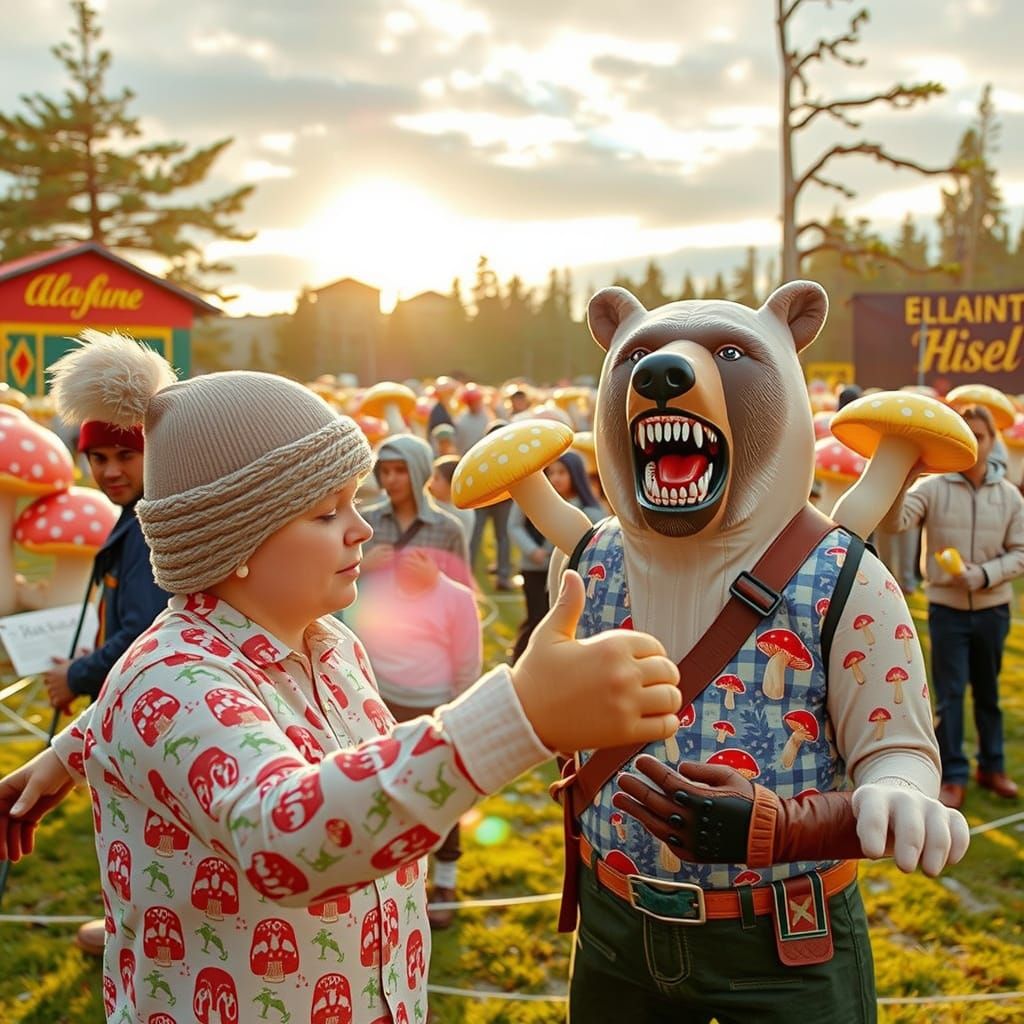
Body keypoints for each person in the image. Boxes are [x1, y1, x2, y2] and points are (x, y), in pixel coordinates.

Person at [0, 329, 683, 1024]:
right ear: (232, 542)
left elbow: (190, 720)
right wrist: (521, 715)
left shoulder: (327, 646)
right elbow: (281, 835)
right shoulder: (168, 679)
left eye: (356, 503)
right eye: (327, 513)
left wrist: (69, 752)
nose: (362, 530)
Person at [39, 413, 170, 958]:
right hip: (131, 700)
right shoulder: (131, 515)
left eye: (125, 456)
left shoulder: (144, 526)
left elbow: (141, 633)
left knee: (144, 828)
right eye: (99, 458)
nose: (111, 471)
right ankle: (130, 924)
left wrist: (76, 674)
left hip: (143, 704)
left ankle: (140, 934)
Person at [884, 402, 1024, 809]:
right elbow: (895, 523)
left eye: (981, 436)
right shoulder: (932, 488)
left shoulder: (1009, 496)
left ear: (992, 441)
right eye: (968, 435)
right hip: (946, 610)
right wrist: (902, 478)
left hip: (993, 609)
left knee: (988, 692)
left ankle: (993, 766)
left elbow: (1020, 552)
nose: (975, 444)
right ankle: (954, 774)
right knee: (948, 695)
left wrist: (981, 575)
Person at [346, 544, 481, 929]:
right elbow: (345, 629)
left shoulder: (455, 598)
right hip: (381, 705)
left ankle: (445, 882)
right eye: (387, 475)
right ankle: (397, 881)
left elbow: (467, 663)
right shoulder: (375, 587)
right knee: (385, 794)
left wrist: (458, 716)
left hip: (433, 708)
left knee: (441, 791)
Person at [508, 451, 603, 664]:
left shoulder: (589, 509)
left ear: (576, 474)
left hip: (569, 573)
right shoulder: (533, 496)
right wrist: (532, 550)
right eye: (551, 473)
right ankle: (522, 661)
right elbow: (514, 526)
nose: (556, 478)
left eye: (562, 472)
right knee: (536, 616)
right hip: (533, 567)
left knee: (558, 617)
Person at [359, 434, 473, 590]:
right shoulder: (364, 522)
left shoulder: (449, 529)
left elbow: (464, 594)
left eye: (400, 470)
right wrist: (362, 568)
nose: (390, 479)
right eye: (385, 471)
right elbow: (335, 589)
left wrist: (436, 579)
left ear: (419, 472)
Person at [427, 454, 476, 549]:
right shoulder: (430, 503)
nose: (430, 483)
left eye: (436, 478)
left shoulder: (463, 512)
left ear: (452, 483)